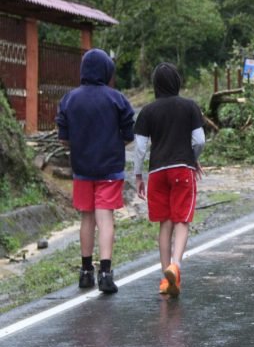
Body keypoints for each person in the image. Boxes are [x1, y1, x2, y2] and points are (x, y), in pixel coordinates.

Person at [56, 48, 135, 294]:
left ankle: (85, 271)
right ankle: (106, 273)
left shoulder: (69, 99)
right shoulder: (117, 98)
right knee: (105, 219)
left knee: (87, 218)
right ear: (106, 71)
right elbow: (128, 134)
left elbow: (64, 139)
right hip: (110, 169)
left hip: (81, 169)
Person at [133, 63, 205, 297]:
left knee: (165, 223)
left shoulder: (147, 111)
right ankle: (176, 265)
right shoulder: (189, 107)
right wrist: (192, 159)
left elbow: (140, 149)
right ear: (177, 82)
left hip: (157, 173)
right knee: (181, 220)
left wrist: (137, 175)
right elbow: (200, 141)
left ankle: (166, 278)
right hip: (181, 170)